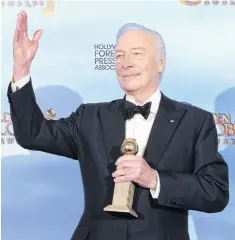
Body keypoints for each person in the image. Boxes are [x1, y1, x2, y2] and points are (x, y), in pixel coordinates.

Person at [7, 10, 229, 240]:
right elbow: (33, 134)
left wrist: (155, 179)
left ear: (160, 62)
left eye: (136, 54)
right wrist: (21, 69)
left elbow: (215, 193)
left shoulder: (194, 121)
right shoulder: (90, 117)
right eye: (119, 55)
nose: (125, 63)